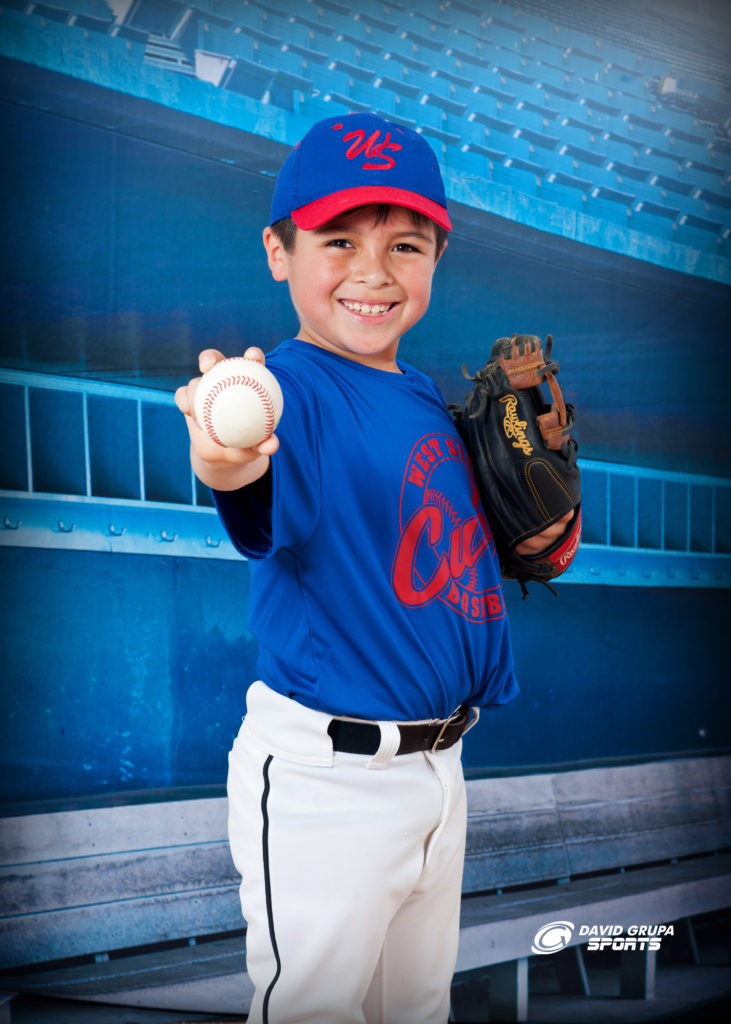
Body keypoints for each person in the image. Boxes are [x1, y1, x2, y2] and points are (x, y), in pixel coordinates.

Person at [175, 112, 569, 1024]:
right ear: (277, 252)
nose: (372, 272)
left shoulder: (425, 397)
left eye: (405, 244)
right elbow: (239, 457)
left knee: (414, 1013)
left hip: (439, 772)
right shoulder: (292, 391)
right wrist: (223, 443)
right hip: (326, 786)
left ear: (435, 258)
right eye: (337, 240)